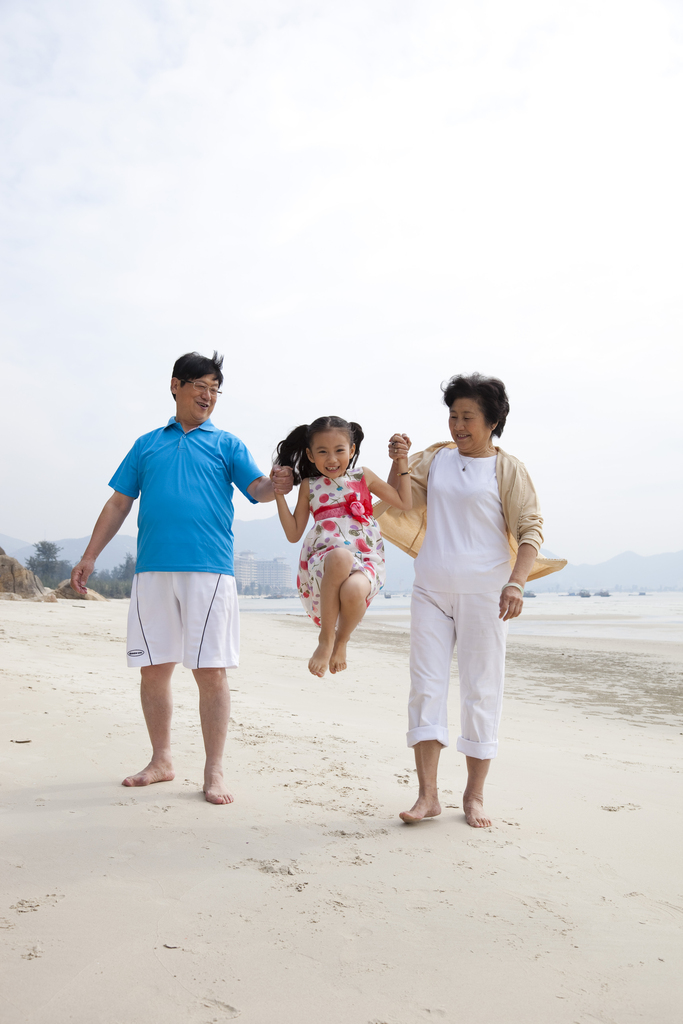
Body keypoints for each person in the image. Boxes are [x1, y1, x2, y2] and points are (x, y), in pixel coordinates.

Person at [70, 351, 293, 805]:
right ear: (176, 385)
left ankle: (214, 771)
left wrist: (279, 483)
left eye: (215, 388)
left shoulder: (226, 444)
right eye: (200, 385)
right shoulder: (147, 444)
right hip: (152, 570)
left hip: (208, 570)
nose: (208, 395)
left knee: (210, 671)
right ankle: (162, 760)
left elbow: (257, 491)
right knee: (153, 670)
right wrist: (91, 555)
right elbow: (118, 504)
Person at [375, 374, 565, 828]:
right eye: (453, 416)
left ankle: (474, 796)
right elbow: (398, 501)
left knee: (481, 690)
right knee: (425, 687)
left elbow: (530, 530)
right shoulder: (435, 459)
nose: (458, 426)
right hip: (431, 589)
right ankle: (427, 796)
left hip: (487, 594)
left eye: (468, 418)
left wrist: (516, 583)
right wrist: (400, 460)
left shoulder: (508, 468)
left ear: (493, 421)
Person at [273, 416, 412, 677]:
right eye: (322, 452)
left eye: (339, 450)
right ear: (310, 455)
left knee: (354, 590)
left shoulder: (363, 476)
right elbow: (293, 533)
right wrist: (279, 494)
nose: (332, 459)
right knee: (340, 556)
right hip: (325, 563)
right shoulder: (309, 485)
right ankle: (325, 639)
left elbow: (404, 501)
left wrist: (401, 461)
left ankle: (341, 642)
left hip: (366, 560)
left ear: (352, 450)